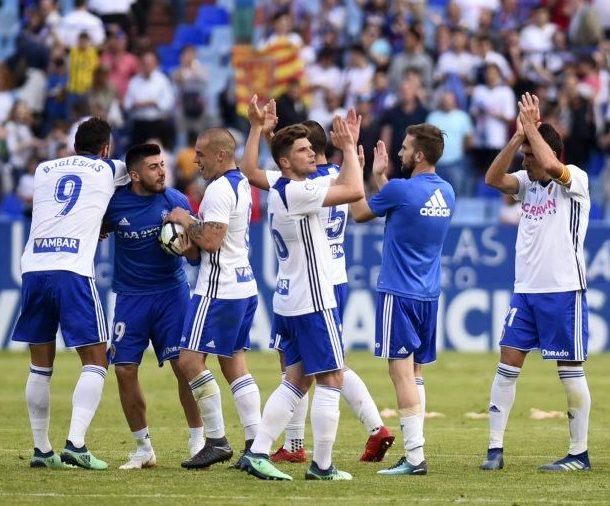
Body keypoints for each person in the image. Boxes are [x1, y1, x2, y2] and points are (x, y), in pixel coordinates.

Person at [241, 99, 395, 464]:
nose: (308, 154)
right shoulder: (326, 180)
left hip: (305, 283)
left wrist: (261, 134)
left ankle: (287, 446)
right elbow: (358, 202)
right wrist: (351, 154)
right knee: (326, 368)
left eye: (309, 148)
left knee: (312, 370)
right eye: (302, 150)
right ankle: (315, 450)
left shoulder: (296, 184)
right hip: (322, 280)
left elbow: (258, 172)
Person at [481, 93, 592, 472]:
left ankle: (579, 453)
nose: (526, 164)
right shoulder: (528, 184)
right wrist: (516, 139)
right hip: (525, 291)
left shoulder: (574, 179)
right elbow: (492, 178)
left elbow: (547, 161)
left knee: (570, 371)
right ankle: (494, 450)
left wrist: (531, 127)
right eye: (524, 158)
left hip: (563, 289)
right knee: (507, 364)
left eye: (528, 157)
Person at [11, 117, 130, 470]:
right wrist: (104, 224)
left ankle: (41, 449)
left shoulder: (44, 169)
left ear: (75, 144)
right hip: (72, 270)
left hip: (34, 268)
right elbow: (140, 179)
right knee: (96, 360)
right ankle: (75, 444)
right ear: (106, 148)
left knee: (39, 367)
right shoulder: (111, 168)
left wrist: (96, 223)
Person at [349, 124, 455, 476]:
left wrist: (362, 171)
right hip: (428, 294)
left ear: (420, 155)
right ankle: (416, 450)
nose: (399, 153)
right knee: (416, 372)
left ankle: (414, 457)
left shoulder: (400, 189)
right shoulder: (448, 193)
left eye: (406, 148)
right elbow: (403, 210)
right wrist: (384, 180)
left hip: (399, 291)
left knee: (400, 373)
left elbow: (360, 213)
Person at [102, 142, 204, 469]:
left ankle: (198, 441)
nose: (161, 172)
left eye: (162, 165)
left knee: (184, 367)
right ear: (134, 175)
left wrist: (183, 244)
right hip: (130, 299)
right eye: (153, 167)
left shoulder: (176, 201)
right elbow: (98, 228)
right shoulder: (114, 205)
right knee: (124, 370)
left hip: (172, 295)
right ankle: (143, 449)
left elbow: (196, 256)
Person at [164, 128, 262, 470]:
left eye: (201, 154)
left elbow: (212, 240)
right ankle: (256, 443)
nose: (195, 161)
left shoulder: (219, 189)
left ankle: (217, 440)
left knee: (189, 363)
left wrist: (183, 219)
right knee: (235, 366)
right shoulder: (240, 183)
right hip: (243, 285)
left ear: (221, 155)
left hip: (219, 289)